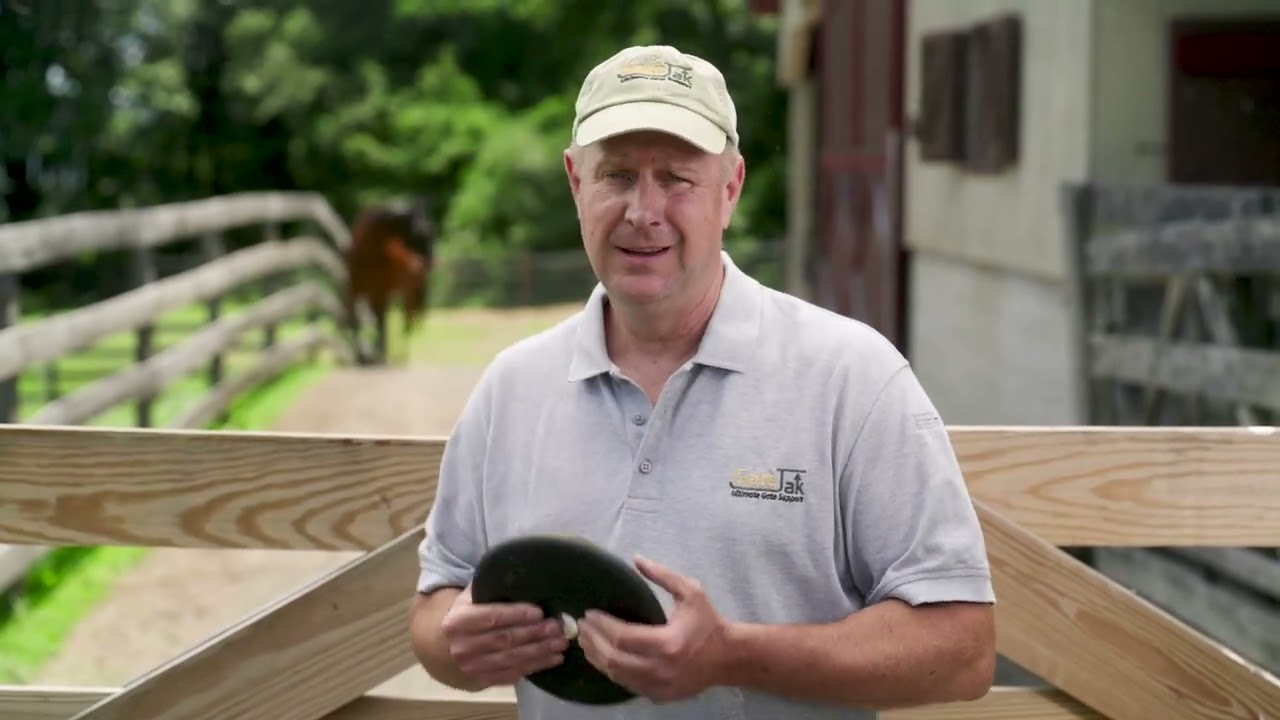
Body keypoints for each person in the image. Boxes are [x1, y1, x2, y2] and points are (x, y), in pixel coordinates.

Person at [408, 44, 996, 719]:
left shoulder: (851, 378)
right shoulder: (512, 389)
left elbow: (964, 647)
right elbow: (436, 607)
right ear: (576, 182)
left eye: (678, 179)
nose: (643, 209)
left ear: (731, 187)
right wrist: (459, 645)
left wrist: (733, 655)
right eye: (617, 175)